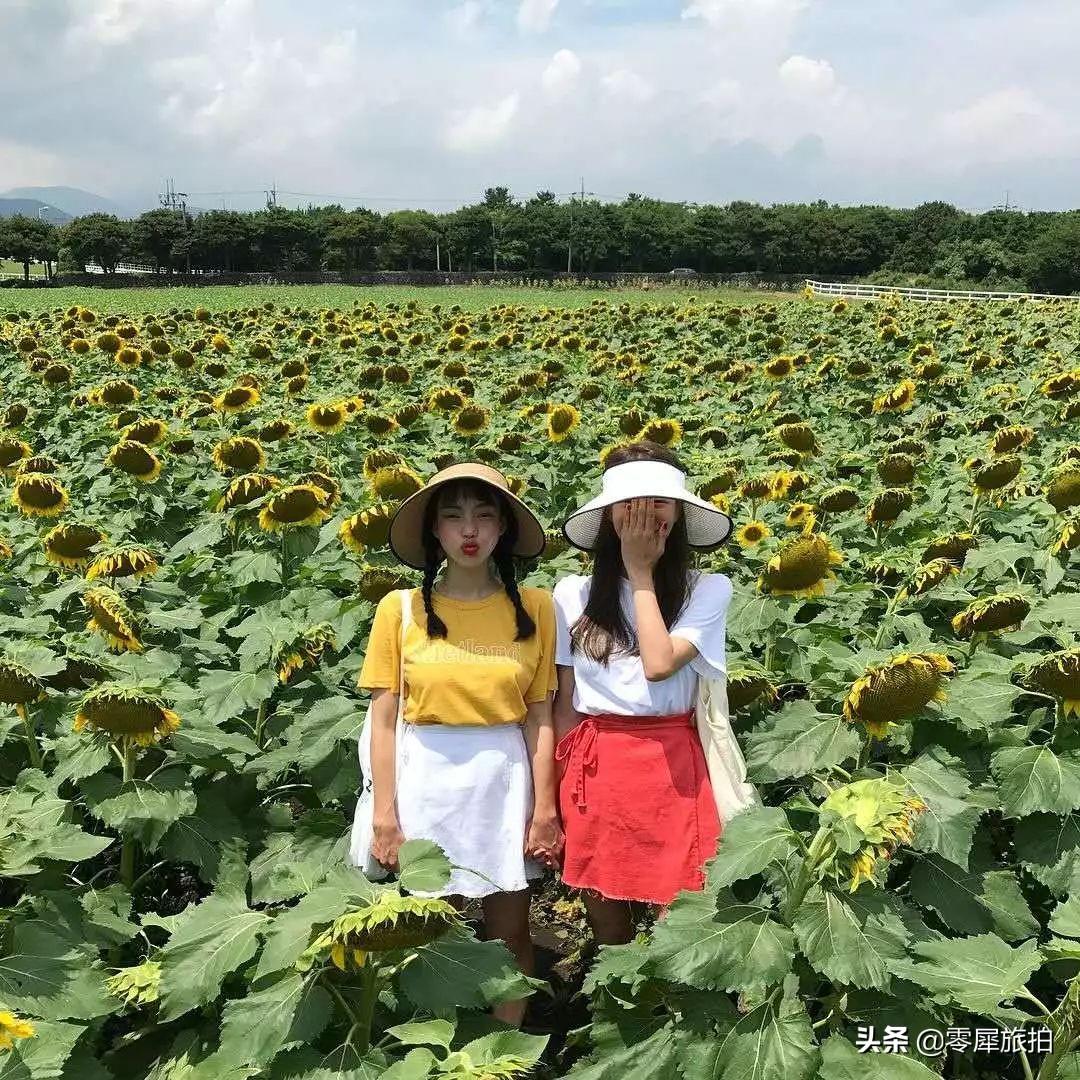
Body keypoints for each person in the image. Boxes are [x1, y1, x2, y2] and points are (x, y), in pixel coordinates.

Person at [356, 462, 563, 1026]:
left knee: (511, 931)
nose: (469, 531)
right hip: (427, 773)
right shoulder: (400, 610)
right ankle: (431, 1045)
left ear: (502, 530)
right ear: (435, 533)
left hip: (502, 778)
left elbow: (539, 716)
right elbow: (383, 718)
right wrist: (384, 813)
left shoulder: (538, 608)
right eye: (453, 518)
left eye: (483, 516)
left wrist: (546, 810)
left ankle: (503, 1048)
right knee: (427, 931)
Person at [551, 441, 735, 945]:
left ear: (678, 513)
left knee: (679, 909)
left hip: (672, 763)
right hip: (597, 762)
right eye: (630, 505)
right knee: (603, 900)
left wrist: (639, 573)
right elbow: (565, 700)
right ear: (609, 516)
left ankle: (674, 1008)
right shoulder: (572, 594)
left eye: (659, 502)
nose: (644, 516)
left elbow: (658, 664)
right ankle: (617, 998)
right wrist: (557, 788)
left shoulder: (708, 588)